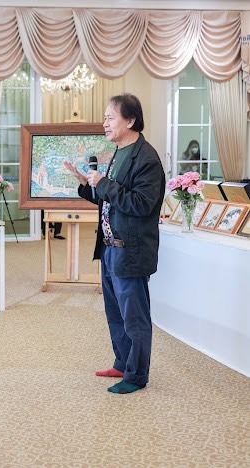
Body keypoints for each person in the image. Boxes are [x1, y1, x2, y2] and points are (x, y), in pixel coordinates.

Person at [63, 93, 165, 395]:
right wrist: (86, 184)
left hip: (130, 250)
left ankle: (136, 375)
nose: (104, 123)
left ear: (130, 120)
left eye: (110, 117)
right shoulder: (119, 152)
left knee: (135, 317)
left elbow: (141, 204)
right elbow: (110, 199)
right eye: (105, 118)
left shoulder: (146, 159)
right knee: (115, 313)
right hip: (110, 247)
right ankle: (122, 363)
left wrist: (103, 183)